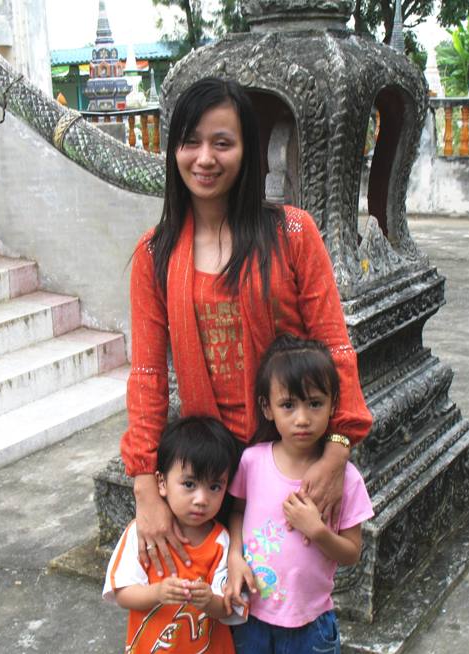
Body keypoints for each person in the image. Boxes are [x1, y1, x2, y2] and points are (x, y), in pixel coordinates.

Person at [121, 77, 373, 577]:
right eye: (190, 142)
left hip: (289, 459)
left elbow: (334, 348)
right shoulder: (155, 254)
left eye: (222, 143)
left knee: (288, 596)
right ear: (173, 150)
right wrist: (147, 488)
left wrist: (337, 452)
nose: (204, 158)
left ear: (247, 151)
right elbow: (148, 375)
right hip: (209, 474)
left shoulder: (294, 233)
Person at [224, 334, 374, 653]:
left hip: (311, 625)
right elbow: (236, 511)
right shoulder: (253, 461)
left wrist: (317, 531)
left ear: (333, 405)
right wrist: (234, 555)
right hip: (251, 618)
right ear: (267, 408)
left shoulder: (344, 478)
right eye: (288, 405)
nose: (302, 419)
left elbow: (352, 553)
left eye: (315, 403)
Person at [103, 416, 242, 654]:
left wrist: (209, 600)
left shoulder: (221, 541)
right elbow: (122, 592)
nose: (201, 499)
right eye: (189, 484)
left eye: (214, 487)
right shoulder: (141, 534)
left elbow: (227, 608)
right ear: (162, 482)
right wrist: (158, 592)